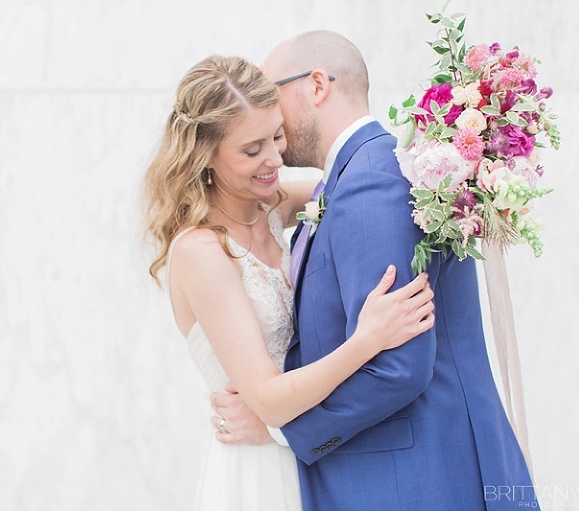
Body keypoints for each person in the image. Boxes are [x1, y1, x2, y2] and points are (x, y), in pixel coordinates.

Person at [211, 31, 540, 510]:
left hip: (416, 483)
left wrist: (280, 427)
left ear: (316, 85)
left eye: (269, 90)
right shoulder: (353, 176)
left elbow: (396, 367)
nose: (266, 112)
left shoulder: (371, 183)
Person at [143, 54, 436, 511]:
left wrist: (458, 169)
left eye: (276, 136)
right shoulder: (202, 251)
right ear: (205, 156)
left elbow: (357, 184)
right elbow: (268, 400)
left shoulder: (273, 207)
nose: (275, 159)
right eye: (251, 149)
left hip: (305, 455)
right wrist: (367, 340)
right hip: (255, 465)